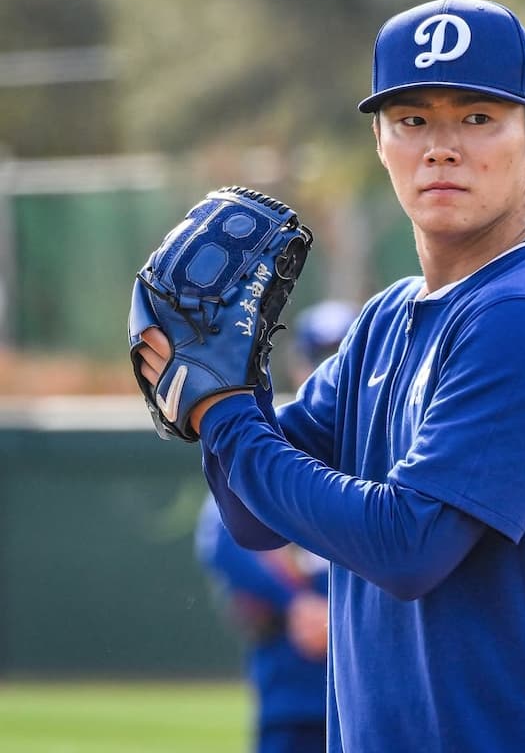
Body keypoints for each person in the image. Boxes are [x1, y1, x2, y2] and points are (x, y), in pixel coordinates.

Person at [139, 0, 525, 752]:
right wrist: (234, 388)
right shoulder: (384, 320)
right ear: (379, 141)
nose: (441, 147)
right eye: (412, 120)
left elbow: (409, 546)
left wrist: (227, 413)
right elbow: (253, 518)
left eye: (477, 117)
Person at [194, 301, 359, 753]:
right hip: (292, 688)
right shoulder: (281, 442)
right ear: (298, 364)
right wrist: (295, 604)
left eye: (339, 356)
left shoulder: (385, 444)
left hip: (371, 695)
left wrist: (336, 618)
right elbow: (221, 539)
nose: (327, 367)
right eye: (319, 355)